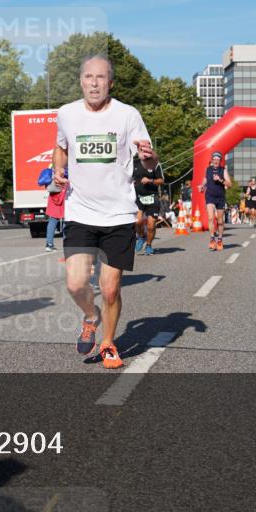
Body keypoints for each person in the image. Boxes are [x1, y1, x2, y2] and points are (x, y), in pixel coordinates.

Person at [52, 54, 158, 370]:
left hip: (119, 215)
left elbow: (149, 163)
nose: (94, 83)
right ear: (81, 81)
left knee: (110, 288)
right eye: (88, 77)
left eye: (100, 78)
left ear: (110, 82)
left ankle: (109, 343)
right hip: (80, 211)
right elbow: (61, 148)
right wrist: (58, 170)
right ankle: (90, 315)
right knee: (75, 284)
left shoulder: (128, 115)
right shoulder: (67, 114)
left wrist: (148, 158)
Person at [198, 151, 231, 251]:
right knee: (211, 218)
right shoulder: (207, 169)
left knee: (220, 221)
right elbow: (205, 179)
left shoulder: (223, 170)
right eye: (214, 159)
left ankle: (220, 239)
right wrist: (202, 186)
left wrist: (220, 180)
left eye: (218, 159)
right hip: (210, 197)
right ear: (212, 160)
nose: (216, 160)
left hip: (220, 197)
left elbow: (229, 184)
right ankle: (212, 239)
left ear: (220, 161)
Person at [134, 155, 164, 256]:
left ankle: (149, 245)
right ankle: (142, 236)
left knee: (151, 225)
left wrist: (150, 180)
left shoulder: (155, 164)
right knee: (137, 221)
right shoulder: (135, 163)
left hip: (152, 197)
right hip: (138, 197)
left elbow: (161, 180)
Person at [44, 172, 65, 252]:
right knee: (67, 221)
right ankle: (68, 244)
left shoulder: (52, 172)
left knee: (52, 221)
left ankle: (49, 244)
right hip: (63, 196)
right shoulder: (64, 169)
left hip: (53, 198)